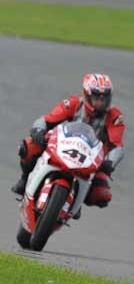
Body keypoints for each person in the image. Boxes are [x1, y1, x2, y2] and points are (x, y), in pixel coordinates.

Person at [11, 74, 126, 215]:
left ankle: (77, 198)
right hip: (64, 145)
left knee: (101, 195)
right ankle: (24, 179)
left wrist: (110, 162)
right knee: (29, 145)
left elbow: (117, 146)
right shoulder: (73, 104)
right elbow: (46, 120)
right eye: (97, 97)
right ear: (87, 94)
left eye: (105, 98)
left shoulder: (114, 117)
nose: (101, 102)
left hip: (93, 158)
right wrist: (38, 130)